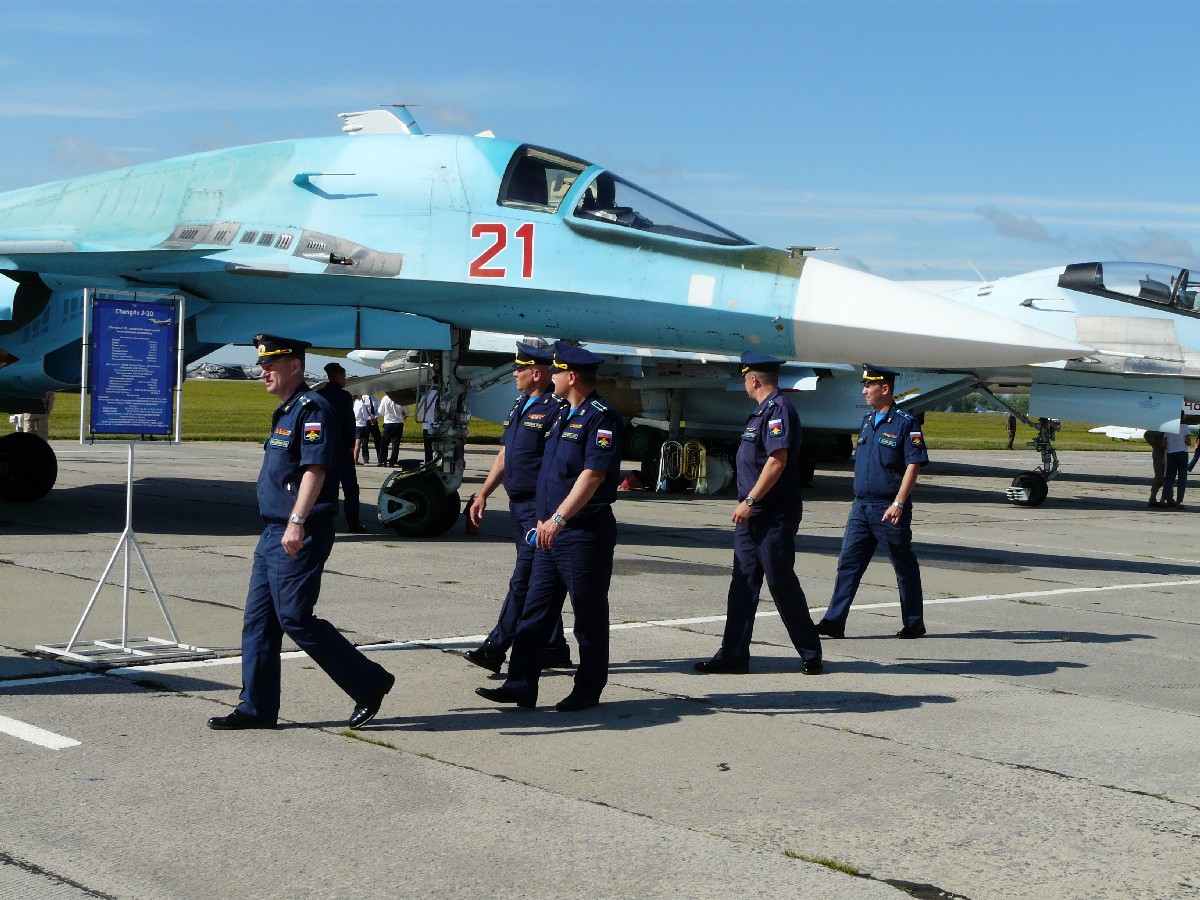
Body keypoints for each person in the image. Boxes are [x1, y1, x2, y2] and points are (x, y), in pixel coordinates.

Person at [207, 334, 394, 731]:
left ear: (295, 366)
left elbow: (316, 469)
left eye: (271, 365)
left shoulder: (313, 410)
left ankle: (369, 681)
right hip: (272, 532)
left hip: (297, 532)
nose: (264, 373)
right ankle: (255, 708)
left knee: (294, 617)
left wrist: (297, 521)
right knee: (259, 622)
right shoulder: (287, 411)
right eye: (262, 366)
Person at [476, 342, 623, 712]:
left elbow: (592, 475)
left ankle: (588, 688)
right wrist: (545, 518)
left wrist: (559, 518)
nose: (551, 377)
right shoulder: (562, 415)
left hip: (581, 532)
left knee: (588, 615)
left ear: (571, 376)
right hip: (548, 532)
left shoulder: (600, 417)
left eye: (556, 372)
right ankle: (521, 684)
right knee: (536, 611)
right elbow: (547, 473)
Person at [693, 351, 823, 676]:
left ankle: (810, 652)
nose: (745, 383)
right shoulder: (761, 413)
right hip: (753, 515)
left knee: (780, 581)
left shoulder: (778, 410)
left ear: (753, 379)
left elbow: (777, 460)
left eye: (745, 378)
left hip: (770, 513)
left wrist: (749, 500)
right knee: (743, 582)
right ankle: (733, 655)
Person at [465, 342, 572, 674]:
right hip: (518, 506)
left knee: (523, 579)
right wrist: (483, 494)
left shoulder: (555, 409)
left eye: (520, 369)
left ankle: (496, 647)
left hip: (537, 509)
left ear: (536, 373)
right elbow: (505, 455)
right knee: (541, 577)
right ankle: (553, 645)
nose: (514, 373)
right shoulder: (520, 405)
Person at [817, 364, 929, 639]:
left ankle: (914, 622)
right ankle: (834, 621)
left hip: (888, 508)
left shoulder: (905, 423)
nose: (864, 390)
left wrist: (899, 503)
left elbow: (913, 466)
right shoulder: (868, 421)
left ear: (885, 389)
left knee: (902, 564)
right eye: (865, 385)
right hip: (862, 507)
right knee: (848, 563)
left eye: (869, 386)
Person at [316, 362, 364, 532]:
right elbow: (349, 422)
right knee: (350, 487)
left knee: (325, 486)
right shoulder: (344, 396)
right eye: (343, 376)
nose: (345, 379)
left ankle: (323, 520)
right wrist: (352, 444)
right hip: (342, 448)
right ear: (337, 376)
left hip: (324, 447)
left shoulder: (319, 394)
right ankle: (353, 522)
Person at [1162, 421, 1191, 509]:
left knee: (1169, 477)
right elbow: (1188, 442)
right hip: (1182, 453)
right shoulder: (1184, 426)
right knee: (1182, 479)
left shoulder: (1168, 427)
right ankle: (1179, 502)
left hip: (1171, 453)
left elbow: (1163, 443)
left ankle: (1163, 499)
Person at [378, 393, 408, 467]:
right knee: (395, 443)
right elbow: (407, 412)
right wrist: (403, 414)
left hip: (388, 422)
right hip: (398, 423)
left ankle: (383, 460)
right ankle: (393, 460)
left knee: (385, 443)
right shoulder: (401, 399)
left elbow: (381, 411)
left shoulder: (385, 398)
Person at [416, 387, 441, 463]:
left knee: (428, 450)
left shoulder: (424, 396)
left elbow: (420, 412)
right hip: (438, 426)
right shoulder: (440, 396)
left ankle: (428, 463)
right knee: (440, 449)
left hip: (427, 426)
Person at [1145, 430, 1167, 507]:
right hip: (1159, 454)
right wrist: (1156, 444)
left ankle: (1170, 498)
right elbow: (1147, 434)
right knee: (1159, 477)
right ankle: (1152, 498)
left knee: (1169, 477)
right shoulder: (1158, 428)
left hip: (1168, 453)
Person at [352, 393, 373, 465]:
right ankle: (355, 460)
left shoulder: (355, 403)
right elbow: (366, 416)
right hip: (362, 424)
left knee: (356, 444)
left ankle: (355, 459)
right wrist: (372, 418)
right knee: (358, 444)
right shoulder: (362, 404)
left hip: (356, 424)